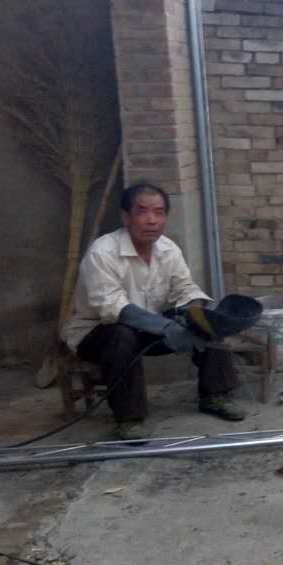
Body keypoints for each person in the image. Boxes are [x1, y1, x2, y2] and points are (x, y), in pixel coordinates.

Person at [66, 182, 246, 441]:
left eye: (159, 212)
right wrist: (166, 327)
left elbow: (184, 287)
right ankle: (129, 419)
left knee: (206, 320)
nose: (151, 220)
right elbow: (112, 307)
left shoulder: (168, 249)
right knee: (122, 334)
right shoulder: (102, 252)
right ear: (125, 217)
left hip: (150, 328)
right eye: (142, 211)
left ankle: (215, 396)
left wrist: (194, 311)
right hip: (98, 333)